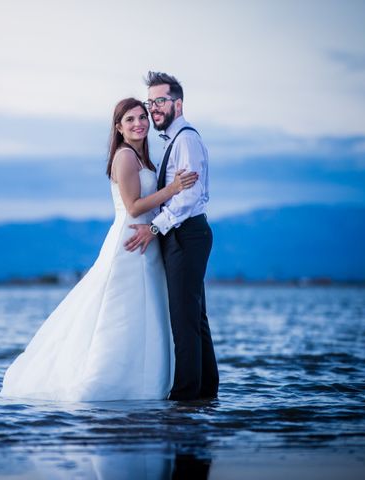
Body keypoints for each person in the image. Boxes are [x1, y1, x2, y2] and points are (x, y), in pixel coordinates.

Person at [0, 97, 197, 401]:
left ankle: (148, 383)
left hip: (148, 238)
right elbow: (133, 207)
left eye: (142, 117)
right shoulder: (125, 157)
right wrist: (172, 189)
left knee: (147, 313)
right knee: (120, 312)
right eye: (129, 120)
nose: (139, 123)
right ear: (118, 127)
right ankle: (110, 381)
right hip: (130, 239)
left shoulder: (144, 159)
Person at [124, 72, 219, 400]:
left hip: (186, 234)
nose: (154, 109)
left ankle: (185, 400)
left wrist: (154, 228)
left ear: (178, 103)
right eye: (151, 102)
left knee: (184, 321)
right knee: (194, 318)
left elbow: (188, 198)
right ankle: (205, 394)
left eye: (160, 101)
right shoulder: (174, 140)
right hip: (185, 234)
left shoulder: (187, 139)